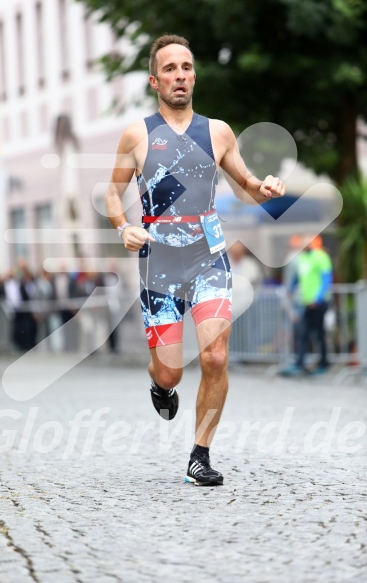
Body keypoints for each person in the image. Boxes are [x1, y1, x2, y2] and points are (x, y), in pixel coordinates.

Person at [105, 34, 285, 486]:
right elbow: (113, 191)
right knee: (170, 368)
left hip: (209, 257)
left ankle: (200, 455)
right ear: (154, 80)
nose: (180, 75)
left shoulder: (217, 131)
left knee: (215, 357)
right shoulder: (138, 134)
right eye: (170, 69)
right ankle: (160, 384)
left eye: (186, 67)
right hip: (158, 263)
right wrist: (122, 225)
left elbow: (243, 183)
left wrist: (261, 189)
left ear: (194, 75)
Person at [281, 235, 333, 376]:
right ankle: (300, 363)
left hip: (318, 302)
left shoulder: (321, 256)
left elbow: (326, 278)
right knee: (304, 333)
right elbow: (300, 277)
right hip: (307, 302)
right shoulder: (303, 258)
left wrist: (318, 298)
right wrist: (291, 289)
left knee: (319, 334)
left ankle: (324, 363)